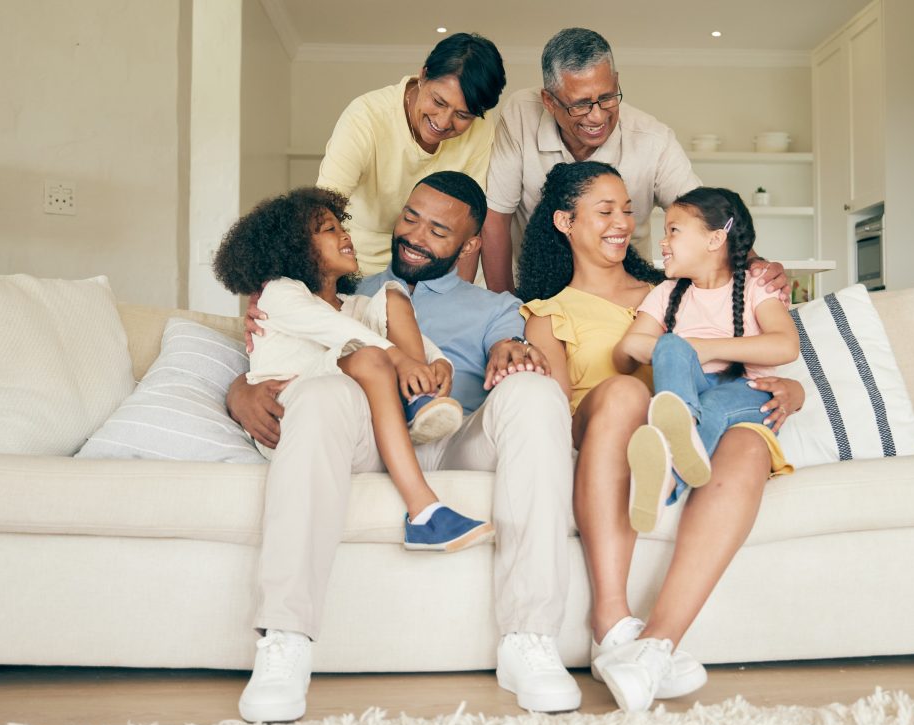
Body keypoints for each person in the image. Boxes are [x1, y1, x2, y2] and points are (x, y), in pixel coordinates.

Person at [227, 172, 583, 721]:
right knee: (321, 395)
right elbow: (281, 350)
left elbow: (514, 347)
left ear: (469, 246)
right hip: (370, 436)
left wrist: (511, 353)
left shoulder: (492, 307)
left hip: (457, 434)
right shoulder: (348, 293)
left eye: (438, 230)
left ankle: (529, 638)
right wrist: (240, 391)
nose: (415, 235)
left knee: (534, 396)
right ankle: (285, 638)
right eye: (410, 217)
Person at [517, 161, 803, 713]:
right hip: (611, 425)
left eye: (629, 210)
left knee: (748, 440)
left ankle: (654, 645)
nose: (624, 222)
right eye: (606, 211)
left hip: (698, 416)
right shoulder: (547, 313)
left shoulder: (675, 286)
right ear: (564, 222)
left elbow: (745, 320)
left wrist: (791, 390)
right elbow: (550, 415)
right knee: (626, 392)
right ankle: (610, 619)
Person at [212, 184, 491, 578]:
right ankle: (424, 509)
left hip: (360, 424)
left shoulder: (361, 305)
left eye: (340, 226)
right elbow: (340, 334)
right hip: (294, 414)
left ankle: (418, 398)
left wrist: (437, 364)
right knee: (369, 355)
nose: (344, 235)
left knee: (393, 298)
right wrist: (397, 361)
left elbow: (419, 345)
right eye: (327, 230)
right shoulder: (279, 293)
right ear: (294, 248)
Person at [482, 27, 795, 296]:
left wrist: (753, 261)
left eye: (607, 97)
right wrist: (507, 309)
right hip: (539, 288)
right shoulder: (520, 114)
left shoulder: (652, 140)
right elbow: (496, 217)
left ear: (616, 81)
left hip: (624, 290)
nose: (597, 116)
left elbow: (707, 214)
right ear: (549, 102)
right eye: (580, 105)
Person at [613, 187, 799, 532]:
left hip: (749, 390)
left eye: (673, 230)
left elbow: (786, 346)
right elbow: (627, 349)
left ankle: (667, 480)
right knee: (669, 345)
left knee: (711, 403)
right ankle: (679, 427)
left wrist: (709, 348)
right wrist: (675, 348)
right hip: (692, 395)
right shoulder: (666, 293)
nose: (662, 241)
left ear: (714, 240)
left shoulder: (756, 285)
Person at [316, 32, 505, 281]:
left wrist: (460, 294)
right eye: (438, 102)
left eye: (462, 115)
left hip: (439, 267)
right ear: (423, 76)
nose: (443, 121)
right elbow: (319, 212)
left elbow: (470, 220)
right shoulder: (366, 118)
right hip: (363, 265)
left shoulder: (481, 126)